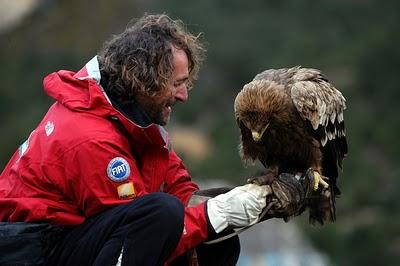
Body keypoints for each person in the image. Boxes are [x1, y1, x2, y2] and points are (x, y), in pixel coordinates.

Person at [0, 14, 309, 266]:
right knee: (163, 215)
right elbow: (145, 227)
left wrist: (256, 200)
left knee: (219, 243)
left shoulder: (135, 119)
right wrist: (220, 213)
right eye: (177, 84)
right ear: (145, 81)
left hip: (74, 237)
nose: (184, 96)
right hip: (36, 250)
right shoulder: (92, 138)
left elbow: (179, 190)